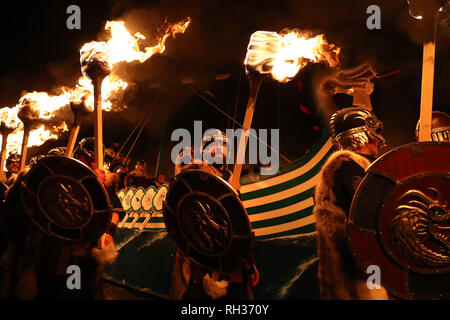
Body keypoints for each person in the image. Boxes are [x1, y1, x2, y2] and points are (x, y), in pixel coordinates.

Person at [169, 130, 259, 300]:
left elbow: (241, 223)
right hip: (199, 257)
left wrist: (249, 261)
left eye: (223, 145)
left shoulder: (232, 180)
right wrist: (190, 166)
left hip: (231, 256)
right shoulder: (199, 171)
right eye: (213, 145)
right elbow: (182, 186)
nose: (218, 148)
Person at [313, 107, 388, 300]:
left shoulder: (366, 165)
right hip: (365, 267)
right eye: (375, 131)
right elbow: (368, 217)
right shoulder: (345, 167)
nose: (378, 137)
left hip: (379, 261)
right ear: (363, 132)